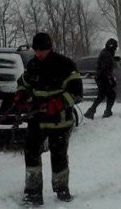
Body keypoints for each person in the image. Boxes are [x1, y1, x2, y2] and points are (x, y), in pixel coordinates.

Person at [13, 32, 83, 206]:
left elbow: (77, 93)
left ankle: (62, 191)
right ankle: (33, 193)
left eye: (42, 50)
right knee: (30, 152)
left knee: (58, 156)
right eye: (36, 50)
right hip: (37, 119)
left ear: (49, 48)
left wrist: (58, 104)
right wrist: (21, 93)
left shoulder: (65, 65)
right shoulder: (33, 65)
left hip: (60, 121)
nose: (39, 54)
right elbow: (23, 82)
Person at [83, 38, 118, 120]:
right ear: (112, 47)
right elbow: (105, 67)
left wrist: (114, 60)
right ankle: (106, 112)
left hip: (100, 77)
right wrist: (110, 78)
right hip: (103, 77)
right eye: (115, 47)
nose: (116, 49)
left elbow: (106, 64)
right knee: (111, 94)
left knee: (102, 95)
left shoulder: (107, 52)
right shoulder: (106, 54)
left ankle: (91, 111)